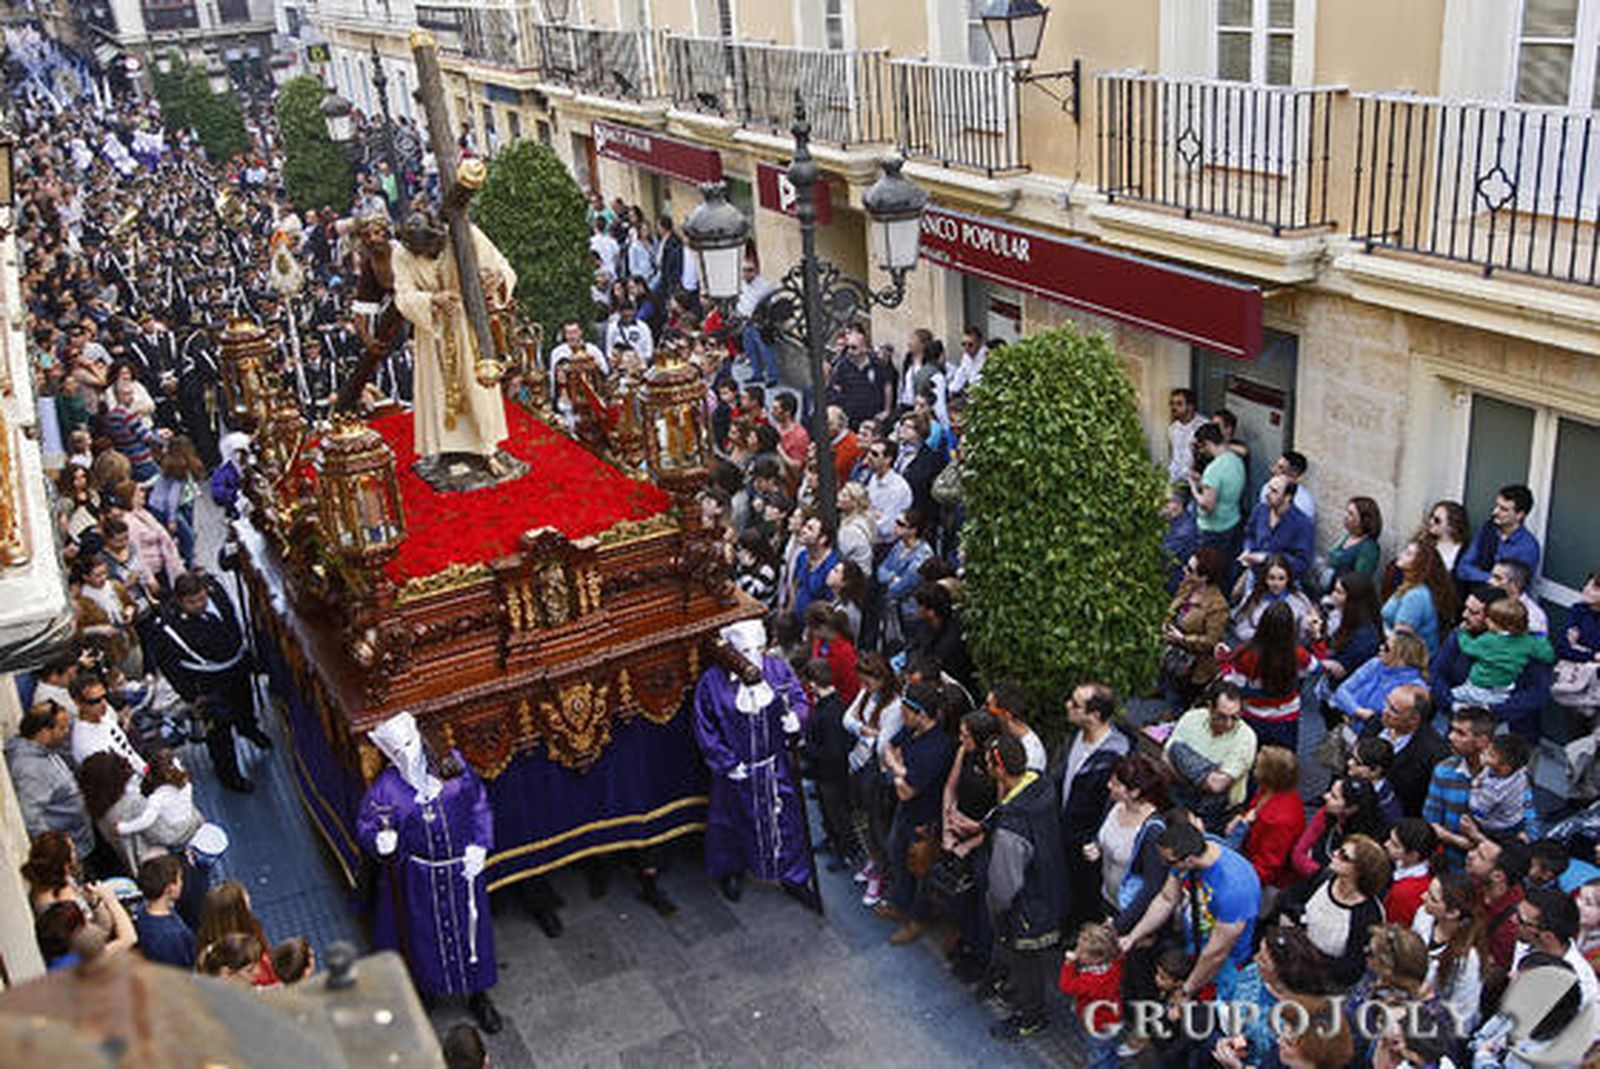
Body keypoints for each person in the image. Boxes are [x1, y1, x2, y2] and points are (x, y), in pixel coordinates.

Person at [354, 710, 500, 1030]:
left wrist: (480, 844)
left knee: (470, 935)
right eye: (396, 750)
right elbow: (367, 823)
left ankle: (479, 995)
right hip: (420, 879)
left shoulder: (452, 766)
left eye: (408, 744)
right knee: (422, 936)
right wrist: (379, 840)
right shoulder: (387, 789)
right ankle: (427, 991)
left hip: (461, 873)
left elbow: (478, 803)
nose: (405, 754)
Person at [693, 620, 816, 908]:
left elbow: (797, 698)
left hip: (775, 765)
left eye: (757, 648)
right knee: (730, 823)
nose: (752, 656)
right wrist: (725, 761)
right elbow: (704, 727)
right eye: (744, 650)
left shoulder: (776, 669)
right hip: (736, 771)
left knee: (785, 821)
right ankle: (730, 871)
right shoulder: (712, 682)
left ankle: (793, 876)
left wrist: (797, 717)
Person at [390, 210, 516, 469]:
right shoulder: (401, 254)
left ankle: (485, 445)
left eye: (431, 247)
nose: (426, 253)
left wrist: (494, 282)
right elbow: (402, 295)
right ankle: (446, 448)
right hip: (432, 329)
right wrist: (431, 300)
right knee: (437, 387)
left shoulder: (465, 234)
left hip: (467, 323)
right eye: (421, 250)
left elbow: (500, 267)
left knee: (475, 384)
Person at [144, 570, 268, 793]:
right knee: (219, 732)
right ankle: (229, 774)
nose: (200, 604)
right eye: (192, 602)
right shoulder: (168, 627)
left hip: (236, 667)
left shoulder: (216, 592)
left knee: (244, 704)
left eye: (202, 598)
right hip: (207, 683)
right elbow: (170, 666)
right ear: (180, 600)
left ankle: (248, 728)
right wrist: (191, 695)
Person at [984, 733, 1067, 1041]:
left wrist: (995, 906)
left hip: (1026, 909)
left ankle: (1029, 1017)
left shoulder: (1011, 825)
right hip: (1052, 887)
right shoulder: (1042, 787)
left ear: (999, 769)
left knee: (1025, 963)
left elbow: (1004, 887)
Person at [1120, 821, 1262, 1001]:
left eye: (1169, 861)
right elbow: (1166, 899)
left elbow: (1216, 953)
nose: (1164, 865)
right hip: (1195, 942)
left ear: (1188, 860)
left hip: (1225, 964)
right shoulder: (1191, 852)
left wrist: (1187, 990)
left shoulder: (1235, 888)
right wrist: (1133, 936)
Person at [878, 679, 954, 946]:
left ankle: (918, 919)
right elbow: (888, 748)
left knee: (920, 870)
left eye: (906, 711)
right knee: (896, 854)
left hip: (924, 821)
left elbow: (905, 791)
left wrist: (897, 769)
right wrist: (899, 769)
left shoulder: (936, 748)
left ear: (921, 714)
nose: (902, 715)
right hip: (906, 812)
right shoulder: (913, 732)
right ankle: (901, 904)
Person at [1057, 683, 1131, 932]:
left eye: (1075, 704)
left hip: (1087, 841)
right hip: (1066, 829)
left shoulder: (1114, 756)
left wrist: (1096, 840)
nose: (1068, 705)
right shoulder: (1074, 735)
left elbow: (1112, 805)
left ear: (1095, 716)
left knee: (1084, 890)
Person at [1279, 832, 1389, 986]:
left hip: (1321, 986)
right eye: (1339, 850)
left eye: (1344, 856)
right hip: (1290, 966)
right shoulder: (1323, 878)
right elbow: (1288, 898)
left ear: (1361, 871)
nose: (1335, 854)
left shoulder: (1369, 915)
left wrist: (1306, 954)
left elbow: (1351, 969)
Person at [843, 653, 902, 907]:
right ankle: (874, 861)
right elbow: (847, 719)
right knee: (864, 820)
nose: (863, 687)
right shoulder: (868, 693)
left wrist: (863, 731)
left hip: (876, 775)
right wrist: (865, 731)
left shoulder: (895, 706)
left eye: (867, 682)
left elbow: (883, 746)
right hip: (859, 765)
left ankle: (882, 873)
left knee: (877, 825)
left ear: (881, 679)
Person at [1221, 600, 1316, 752]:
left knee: (1251, 758)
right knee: (1283, 763)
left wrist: (1224, 663)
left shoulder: (1247, 653)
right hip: (1286, 715)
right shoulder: (1297, 654)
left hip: (1253, 714)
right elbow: (1314, 668)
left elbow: (1234, 683)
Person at [6, 702, 94, 863]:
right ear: (44, 732)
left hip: (79, 839)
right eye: (61, 728)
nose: (66, 732)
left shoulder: (44, 750)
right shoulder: (31, 770)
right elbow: (32, 821)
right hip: (71, 853)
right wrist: (61, 857)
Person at [1164, 682, 1258, 830]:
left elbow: (1217, 785)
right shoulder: (1191, 718)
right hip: (1179, 797)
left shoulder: (1246, 737)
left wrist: (1184, 765)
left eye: (1235, 717)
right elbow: (1167, 758)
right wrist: (1205, 776)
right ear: (1210, 707)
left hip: (1217, 812)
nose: (1228, 724)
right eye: (1221, 716)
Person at [1411, 871, 1485, 1035]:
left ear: (1452, 913)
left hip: (1437, 1030)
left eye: (1432, 898)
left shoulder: (1468, 960)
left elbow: (1463, 1015)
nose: (1423, 897)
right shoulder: (1423, 915)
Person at [1361, 682, 1448, 819]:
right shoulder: (1376, 723)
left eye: (1393, 710)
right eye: (1387, 703)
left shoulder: (1433, 753)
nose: (1385, 711)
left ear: (1414, 719)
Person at [1227, 745, 1306, 891]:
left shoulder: (1279, 820)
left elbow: (1267, 867)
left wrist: (1237, 882)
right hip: (1249, 853)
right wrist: (1241, 819)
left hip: (1261, 878)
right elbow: (1255, 810)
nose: (1253, 768)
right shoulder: (1274, 790)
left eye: (1258, 766)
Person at [1161, 548, 1232, 711]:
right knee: (1169, 684)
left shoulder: (1218, 606)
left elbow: (1211, 641)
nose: (1185, 571)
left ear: (1205, 577)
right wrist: (1166, 623)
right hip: (1174, 651)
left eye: (1190, 570)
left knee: (1181, 702)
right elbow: (1174, 606)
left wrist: (1182, 639)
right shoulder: (1188, 585)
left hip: (1195, 667)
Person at [1424, 705, 1498, 857]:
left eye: (1461, 733)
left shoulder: (1509, 777)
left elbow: (1528, 830)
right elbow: (1431, 820)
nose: (1451, 737)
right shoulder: (1444, 770)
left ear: (1482, 741)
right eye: (1452, 730)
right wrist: (1456, 840)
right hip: (1449, 862)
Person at [1056, 922, 1123, 1068]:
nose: (1077, 952)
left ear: (1097, 959)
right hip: (1112, 1018)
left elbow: (1066, 986)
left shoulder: (1090, 980)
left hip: (1096, 1025)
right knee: (1107, 1049)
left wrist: (1068, 964)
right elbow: (1119, 953)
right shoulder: (1114, 966)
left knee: (1098, 1054)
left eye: (1082, 951)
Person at [1291, 776, 1387, 878]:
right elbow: (1299, 853)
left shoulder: (1364, 845)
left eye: (1334, 796)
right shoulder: (1325, 813)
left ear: (1351, 809)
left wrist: (1322, 877)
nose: (1325, 796)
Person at [1382, 537, 1458, 657]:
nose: (1401, 554)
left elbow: (1401, 638)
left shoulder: (1416, 596)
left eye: (1408, 554)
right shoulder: (1408, 586)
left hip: (1408, 661)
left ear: (1419, 563)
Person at [1458, 483, 1541, 586]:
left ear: (1519, 515)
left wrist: (1479, 576)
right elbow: (1463, 568)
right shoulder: (1488, 529)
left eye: (1504, 509)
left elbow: (1514, 587)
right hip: (1474, 593)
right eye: (1497, 506)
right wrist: (1489, 578)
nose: (1495, 511)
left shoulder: (1527, 547)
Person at [1190, 422, 1247, 571]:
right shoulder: (1236, 460)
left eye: (1201, 447)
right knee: (1225, 566)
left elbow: (1207, 505)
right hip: (1232, 521)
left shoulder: (1213, 470)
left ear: (1208, 444)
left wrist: (1193, 487)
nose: (1201, 452)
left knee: (1209, 570)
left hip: (1213, 528)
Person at [875, 507, 932, 647]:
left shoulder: (923, 554)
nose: (896, 527)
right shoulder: (899, 546)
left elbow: (904, 585)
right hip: (893, 610)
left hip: (911, 612)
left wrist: (893, 580)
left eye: (901, 524)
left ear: (913, 530)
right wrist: (893, 577)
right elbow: (881, 570)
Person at [134, 854, 196, 968]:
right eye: (179, 879)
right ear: (169, 889)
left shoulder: (143, 909)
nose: (182, 883)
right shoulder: (169, 936)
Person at [1319, 496, 1383, 591]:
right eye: (1347, 512)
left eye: (1351, 514)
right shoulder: (1348, 535)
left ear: (1364, 520)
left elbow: (1359, 581)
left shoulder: (1369, 548)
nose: (1345, 516)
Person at [1382, 818, 1438, 926]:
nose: (1386, 844)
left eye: (1395, 845)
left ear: (1413, 855)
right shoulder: (1428, 870)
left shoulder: (1403, 894)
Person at [1166, 387, 1206, 485]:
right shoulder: (1173, 428)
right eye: (1172, 403)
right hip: (1175, 479)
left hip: (1196, 481)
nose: (1173, 407)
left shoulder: (1203, 426)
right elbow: (1172, 454)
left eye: (1179, 404)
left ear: (1190, 406)